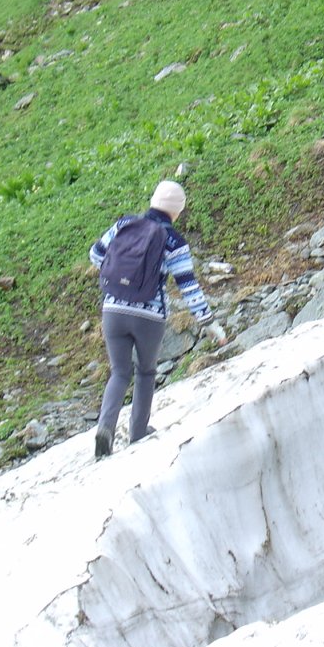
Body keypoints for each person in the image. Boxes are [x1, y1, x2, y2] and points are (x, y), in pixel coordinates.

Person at [89, 180, 226, 458]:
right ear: (177, 210)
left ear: (153, 201)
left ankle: (105, 428)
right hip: (149, 317)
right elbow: (188, 286)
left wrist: (120, 277)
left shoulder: (124, 225)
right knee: (146, 371)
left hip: (113, 310)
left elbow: (95, 255)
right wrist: (210, 323)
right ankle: (138, 431)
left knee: (119, 372)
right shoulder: (174, 241)